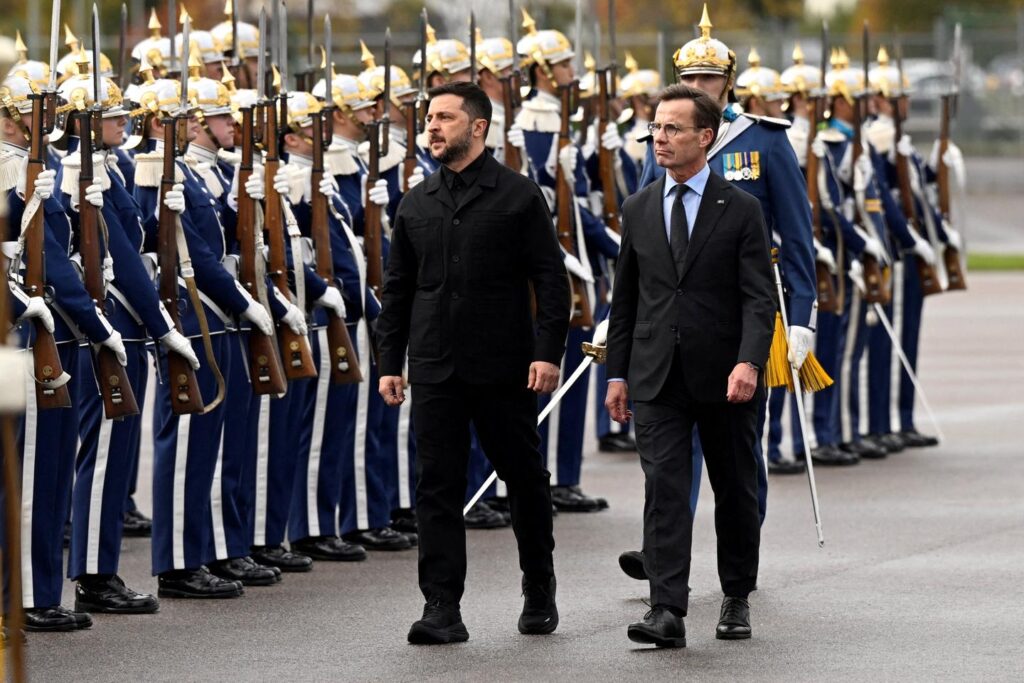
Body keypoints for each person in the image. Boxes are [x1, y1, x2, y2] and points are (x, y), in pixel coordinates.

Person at [376, 81, 568, 644]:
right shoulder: (417, 201)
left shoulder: (518, 195)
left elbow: (550, 281)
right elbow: (398, 289)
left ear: (478, 127)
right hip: (435, 366)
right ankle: (441, 605)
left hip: (504, 367)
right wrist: (390, 362)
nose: (432, 128)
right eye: (429, 119)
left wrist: (547, 352)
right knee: (436, 484)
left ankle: (539, 585)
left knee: (523, 478)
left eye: (445, 118)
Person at [605, 84, 775, 648]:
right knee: (665, 489)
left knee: (735, 488)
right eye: (656, 127)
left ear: (706, 137)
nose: (660, 138)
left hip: (728, 376)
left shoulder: (741, 208)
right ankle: (666, 610)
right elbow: (626, 299)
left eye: (673, 128)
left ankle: (736, 596)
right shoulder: (639, 207)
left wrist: (750, 361)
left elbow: (759, 297)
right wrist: (617, 373)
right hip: (656, 374)